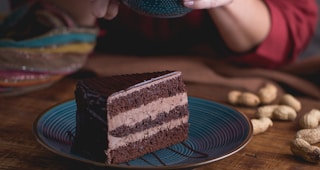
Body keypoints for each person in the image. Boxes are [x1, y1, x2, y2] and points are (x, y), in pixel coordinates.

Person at [7, 0, 319, 69]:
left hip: (228, 80)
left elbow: (288, 36)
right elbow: (31, 20)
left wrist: (230, 2)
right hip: (88, 75)